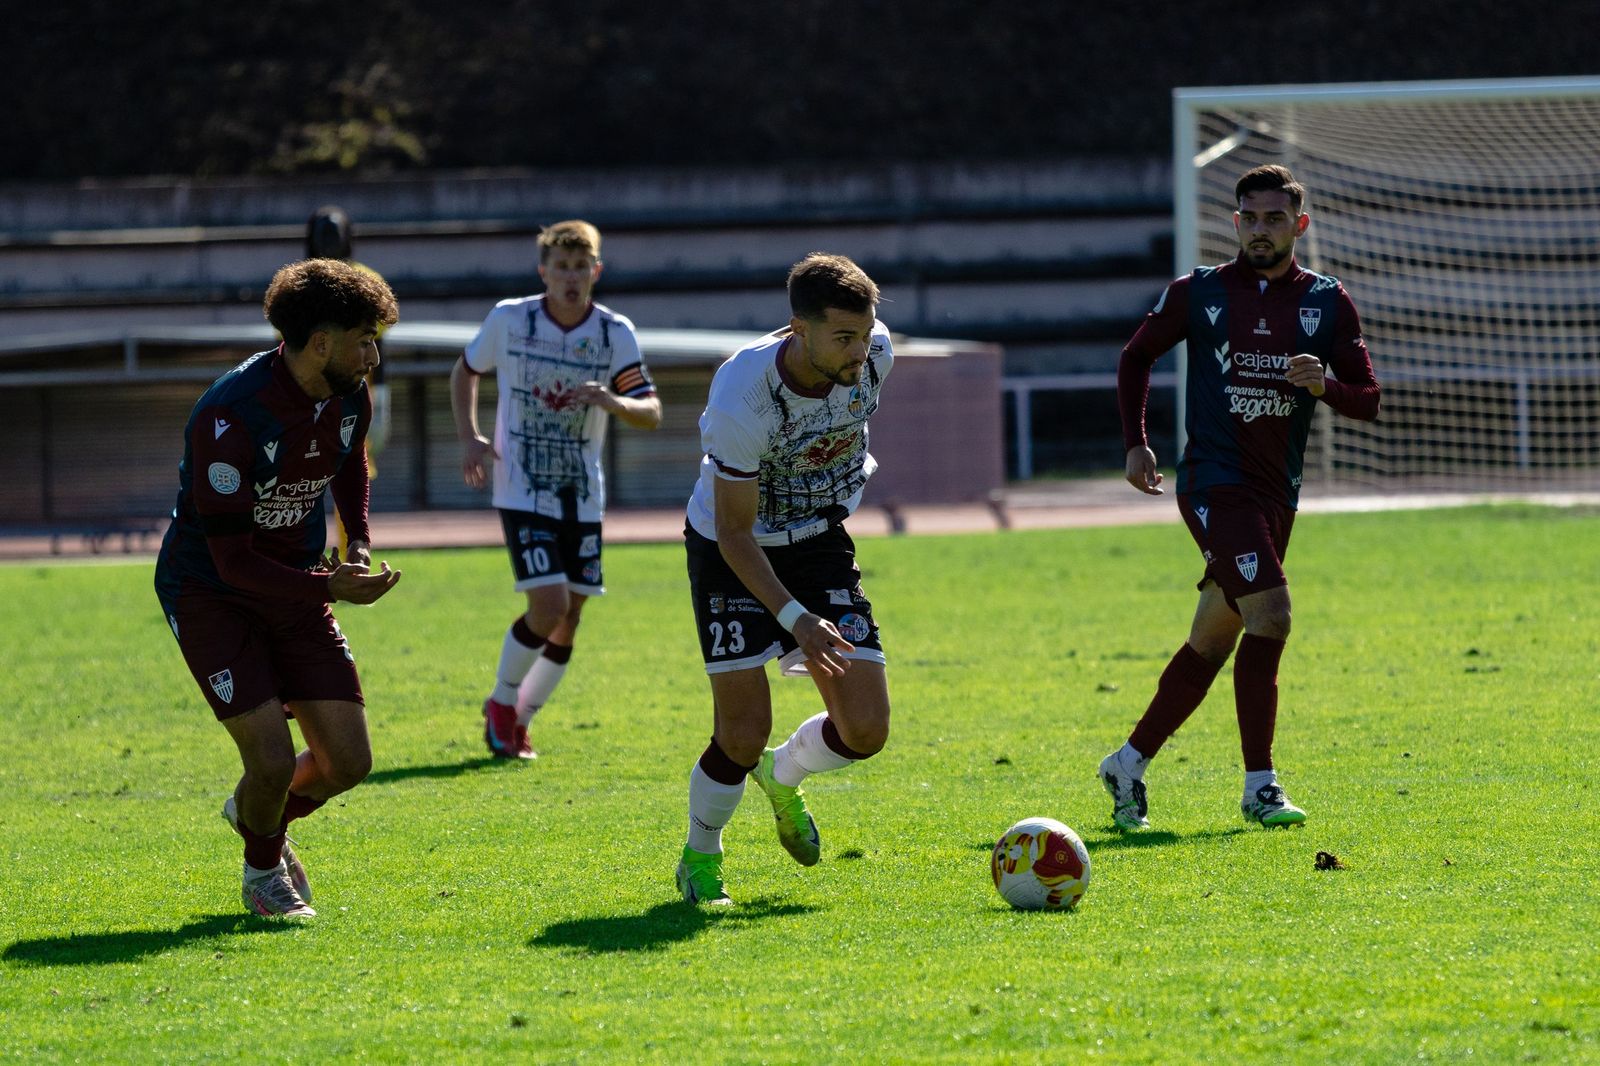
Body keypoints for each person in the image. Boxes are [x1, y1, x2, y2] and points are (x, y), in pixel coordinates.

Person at [1101, 163, 1381, 831]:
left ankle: (1128, 761)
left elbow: (1368, 400)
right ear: (1235, 223)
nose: (1261, 229)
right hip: (1212, 484)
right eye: (1249, 218)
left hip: (1276, 493)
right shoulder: (1198, 293)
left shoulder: (1328, 302)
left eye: (1274, 218)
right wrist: (1137, 444)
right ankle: (1261, 786)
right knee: (1274, 616)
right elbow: (1136, 357)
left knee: (1213, 640)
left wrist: (1324, 388)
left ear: (1299, 225)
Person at [154, 259, 402, 918]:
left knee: (348, 761)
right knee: (268, 760)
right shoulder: (230, 418)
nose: (372, 354)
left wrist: (360, 542)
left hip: (300, 584)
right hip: (211, 593)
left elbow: (350, 460)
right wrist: (333, 589)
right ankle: (263, 876)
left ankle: (256, 818)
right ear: (320, 343)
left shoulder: (350, 390)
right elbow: (233, 562)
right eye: (363, 338)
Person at [676, 252, 894, 906]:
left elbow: (859, 351)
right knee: (740, 733)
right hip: (729, 547)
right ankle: (702, 854)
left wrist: (807, 607)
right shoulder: (743, 396)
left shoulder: (878, 353)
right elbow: (736, 533)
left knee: (866, 730)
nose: (860, 352)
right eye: (843, 338)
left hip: (820, 540)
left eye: (865, 332)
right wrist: (796, 619)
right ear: (798, 331)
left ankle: (784, 772)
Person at [450, 220, 661, 760]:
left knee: (571, 616)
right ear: (543, 271)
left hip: (582, 490)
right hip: (521, 485)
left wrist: (614, 402)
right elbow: (466, 370)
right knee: (549, 604)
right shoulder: (510, 318)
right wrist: (471, 437)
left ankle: (518, 720)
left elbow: (651, 410)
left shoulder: (615, 333)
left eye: (580, 266)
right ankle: (500, 703)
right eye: (560, 266)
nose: (571, 276)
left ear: (596, 271)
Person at [306, 206, 391, 548]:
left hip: (353, 393)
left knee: (351, 471)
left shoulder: (368, 282)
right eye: (322, 233)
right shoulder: (299, 284)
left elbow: (379, 342)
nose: (329, 240)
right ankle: (302, 555)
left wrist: (382, 396)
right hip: (308, 394)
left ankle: (352, 550)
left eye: (335, 232)